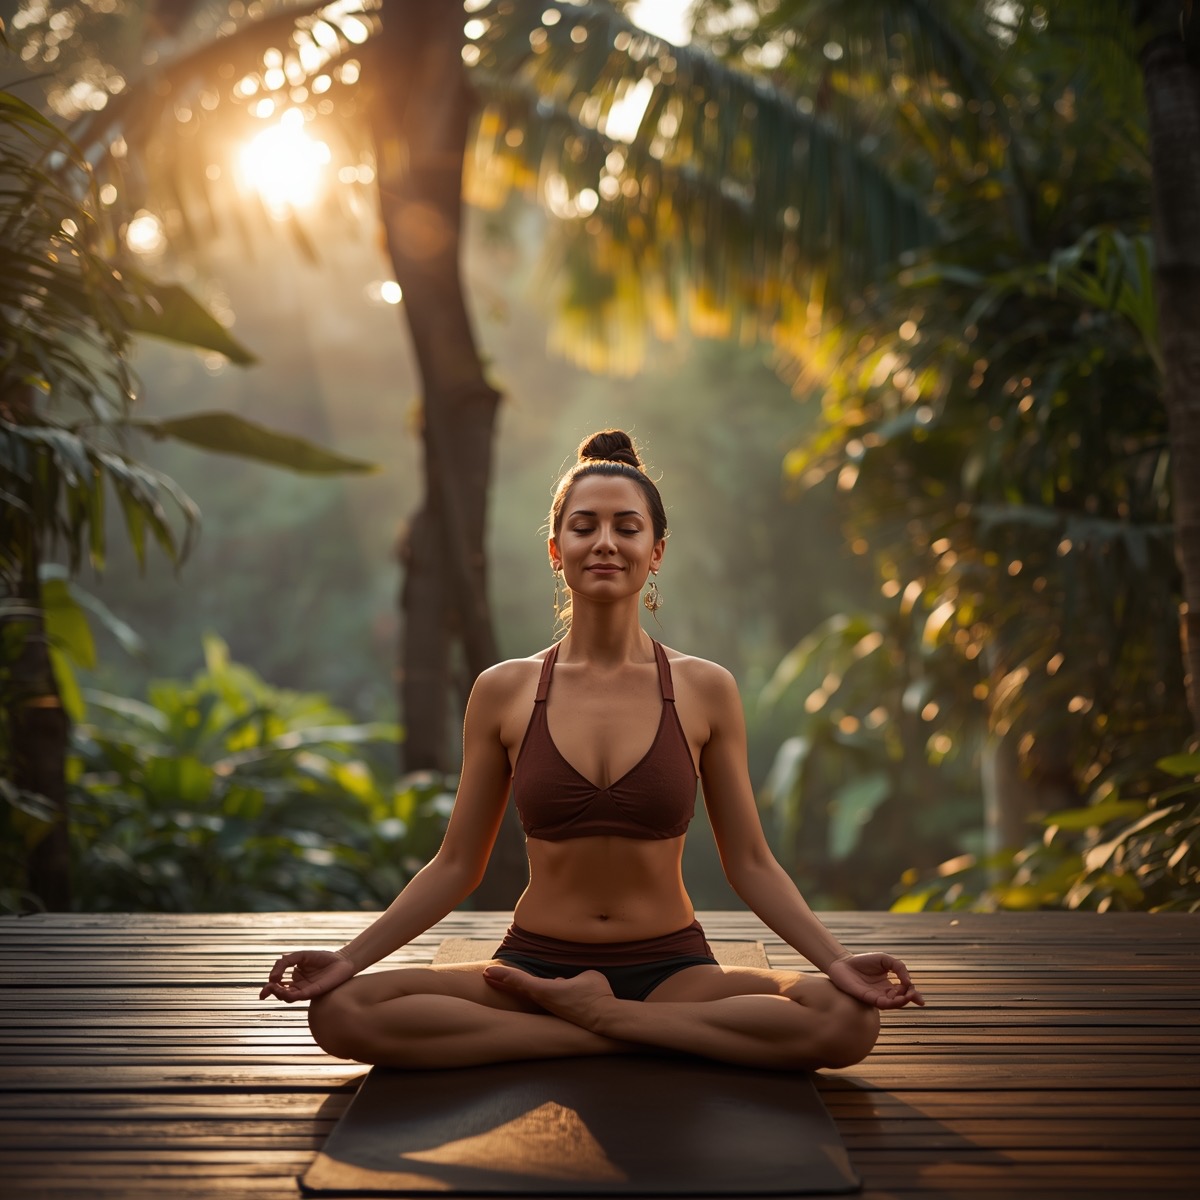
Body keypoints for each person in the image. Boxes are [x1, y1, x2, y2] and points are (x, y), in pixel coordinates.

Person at [261, 429, 923, 1071]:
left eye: (627, 528)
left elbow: (750, 862)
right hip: (532, 964)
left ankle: (602, 1021)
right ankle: (615, 1031)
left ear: (656, 551)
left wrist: (837, 963)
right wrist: (348, 959)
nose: (605, 542)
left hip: (671, 969)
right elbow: (456, 863)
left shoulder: (704, 688)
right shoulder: (505, 690)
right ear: (557, 549)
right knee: (343, 1011)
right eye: (584, 527)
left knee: (846, 1021)